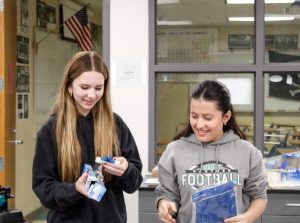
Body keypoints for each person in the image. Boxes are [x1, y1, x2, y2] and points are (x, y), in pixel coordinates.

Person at [32, 51, 143, 223]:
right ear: (69, 86)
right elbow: (43, 188)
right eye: (84, 87)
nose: (92, 95)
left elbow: (134, 183)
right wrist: (75, 189)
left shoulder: (116, 124)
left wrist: (126, 170)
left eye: (98, 88)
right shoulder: (50, 130)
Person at [156, 80, 267, 223]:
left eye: (208, 118)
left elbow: (259, 196)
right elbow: (166, 193)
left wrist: (247, 217)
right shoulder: (174, 151)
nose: (199, 124)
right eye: (194, 116)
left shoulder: (248, 152)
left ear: (226, 117)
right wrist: (164, 204)